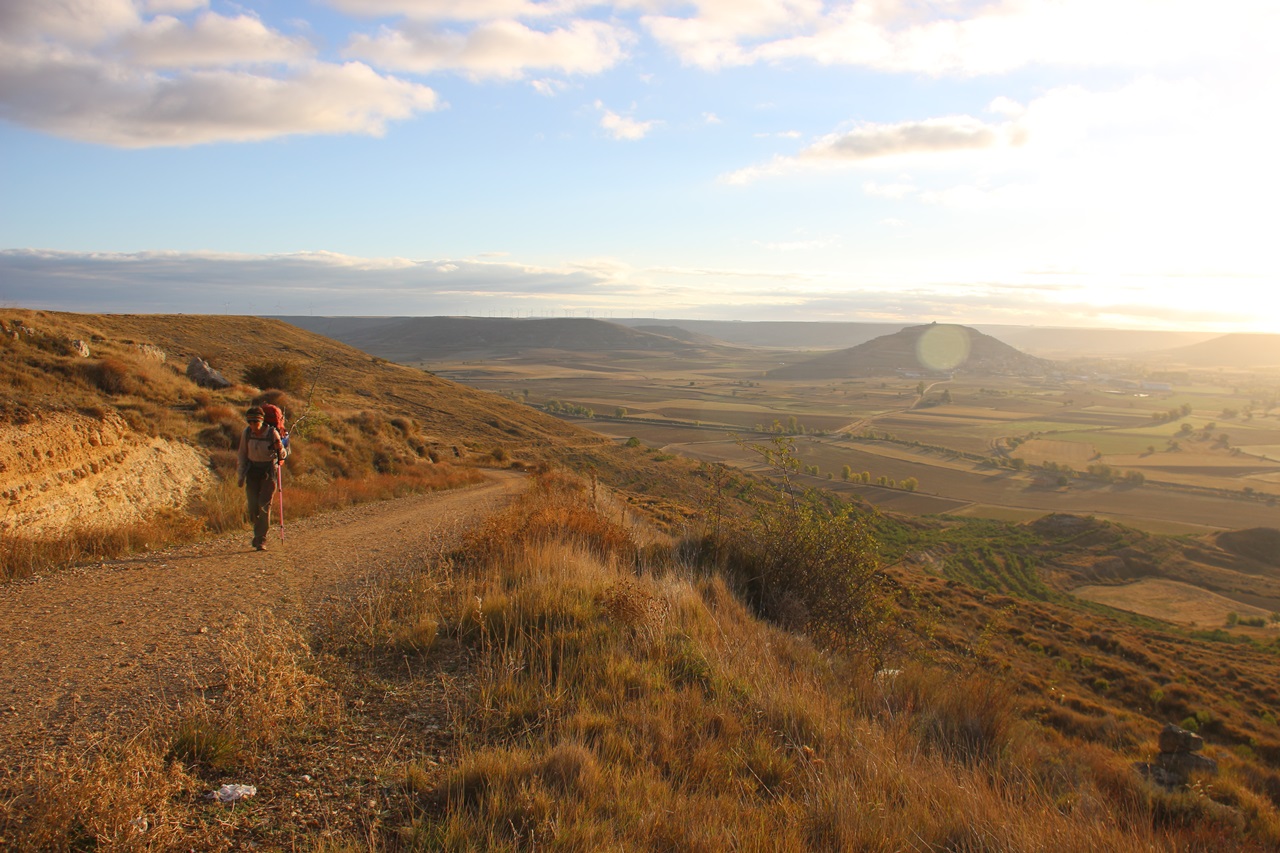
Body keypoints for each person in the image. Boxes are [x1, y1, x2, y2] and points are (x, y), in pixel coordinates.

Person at [236, 405, 287, 551]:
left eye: (255, 423)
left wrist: (280, 447)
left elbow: (282, 455)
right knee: (252, 507)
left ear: (262, 421)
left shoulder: (272, 433)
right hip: (252, 471)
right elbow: (242, 455)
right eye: (250, 423)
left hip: (268, 471)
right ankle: (258, 531)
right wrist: (240, 476)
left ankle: (261, 539)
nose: (252, 426)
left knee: (264, 504)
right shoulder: (247, 433)